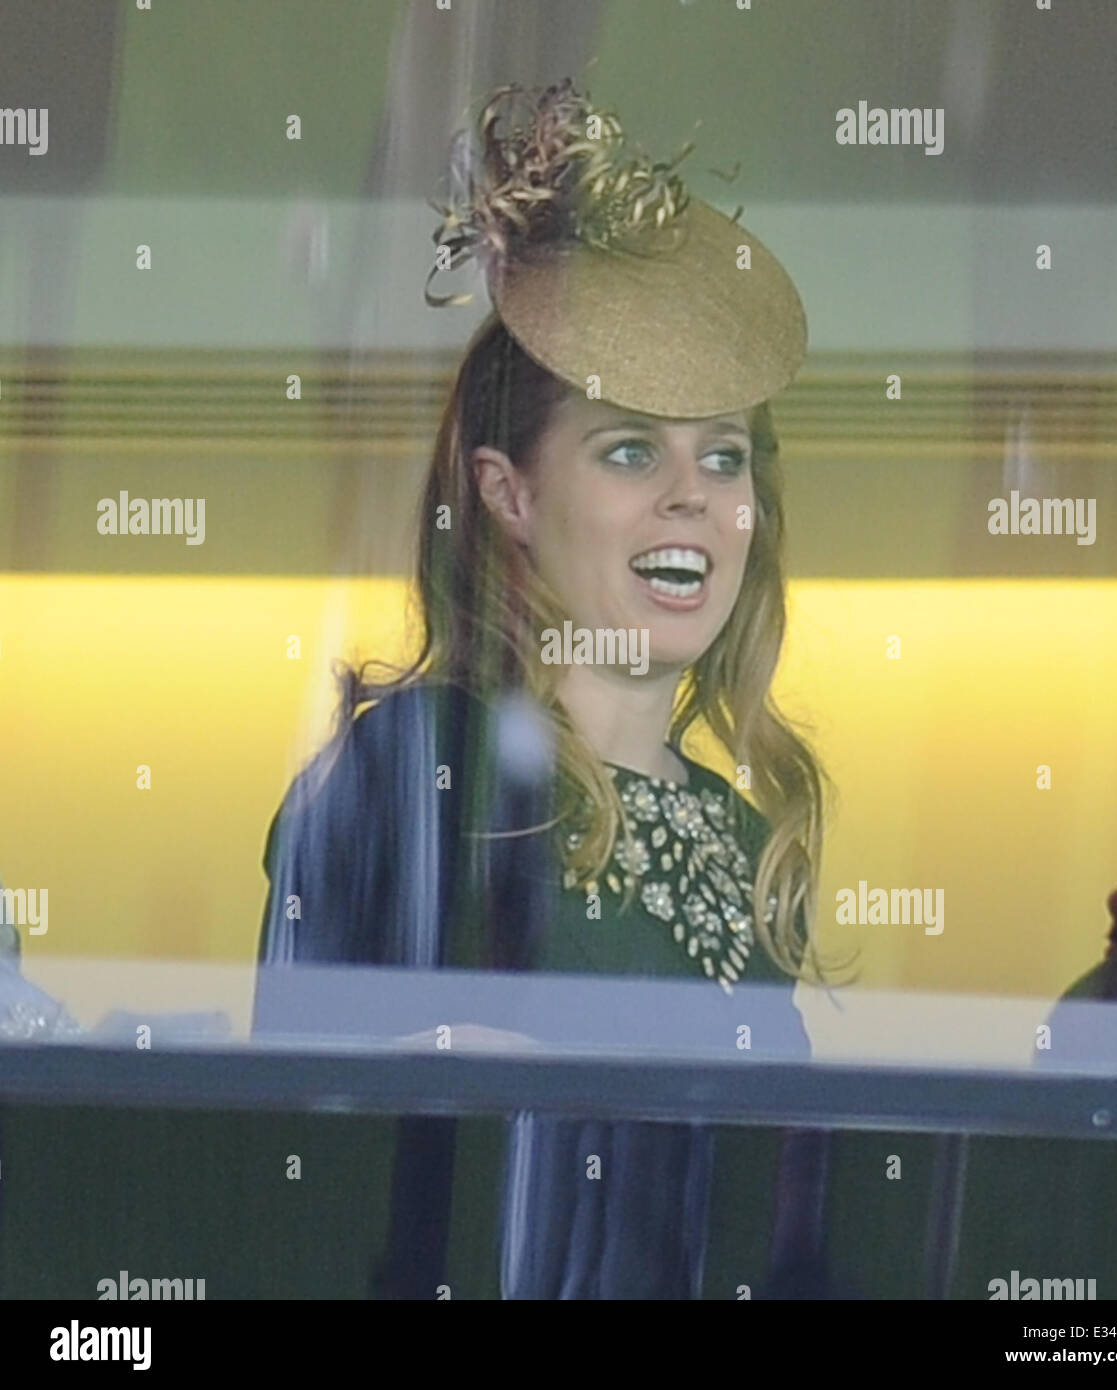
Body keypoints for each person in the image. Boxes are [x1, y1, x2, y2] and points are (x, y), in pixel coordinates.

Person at [256, 77, 836, 1299]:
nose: (692, 493)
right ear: (507, 493)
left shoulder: (743, 834)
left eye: (721, 454)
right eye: (631, 447)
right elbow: (311, 1184)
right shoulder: (413, 767)